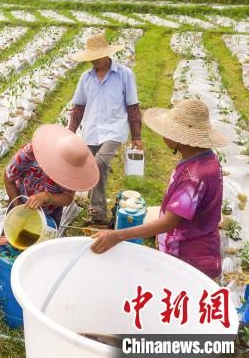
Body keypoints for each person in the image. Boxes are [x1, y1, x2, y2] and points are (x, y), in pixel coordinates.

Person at [91, 99, 226, 279]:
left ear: (181, 139)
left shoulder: (193, 177)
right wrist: (163, 235)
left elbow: (169, 223)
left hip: (189, 261)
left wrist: (117, 236)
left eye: (168, 131)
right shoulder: (206, 159)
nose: (164, 135)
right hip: (196, 249)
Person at [68, 34, 142, 225]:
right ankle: (96, 212)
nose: (94, 61)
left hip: (115, 129)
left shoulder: (124, 75)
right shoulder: (86, 78)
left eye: (97, 57)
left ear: (107, 54)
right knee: (90, 168)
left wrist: (137, 137)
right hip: (91, 129)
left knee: (99, 163)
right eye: (91, 58)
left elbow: (132, 106)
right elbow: (79, 107)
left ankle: (98, 211)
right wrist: (70, 131)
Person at [4, 124, 99, 226]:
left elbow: (67, 198)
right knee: (11, 235)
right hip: (21, 201)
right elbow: (8, 177)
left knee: (45, 239)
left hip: (50, 211)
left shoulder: (72, 175)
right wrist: (18, 207)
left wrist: (46, 197)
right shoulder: (30, 153)